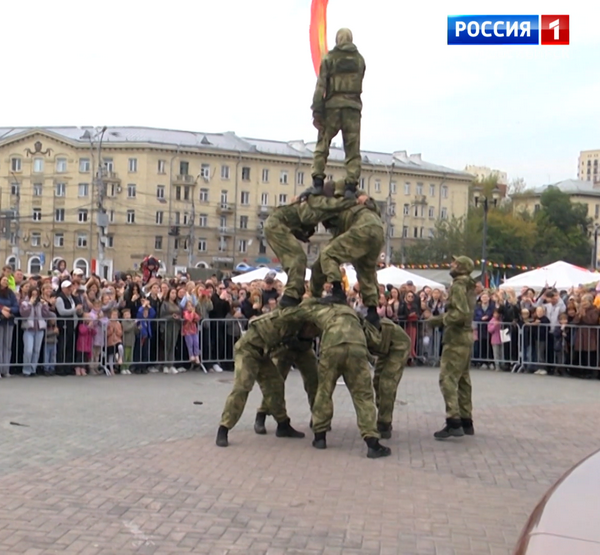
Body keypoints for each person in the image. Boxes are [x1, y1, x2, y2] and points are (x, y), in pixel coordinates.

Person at [292, 299, 391, 458]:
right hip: (356, 348)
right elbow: (371, 335)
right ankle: (372, 442)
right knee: (363, 396)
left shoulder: (321, 310)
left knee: (324, 391)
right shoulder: (353, 312)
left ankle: (320, 437)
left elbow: (297, 315)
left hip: (332, 347)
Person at [216, 308, 308, 447]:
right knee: (242, 387)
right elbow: (264, 332)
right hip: (248, 351)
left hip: (263, 355)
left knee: (276, 384)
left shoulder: (293, 327)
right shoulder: (281, 320)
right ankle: (223, 429)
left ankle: (283, 424)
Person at [309, 183, 384, 327]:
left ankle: (337, 291)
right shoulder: (355, 200)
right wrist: (366, 199)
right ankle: (372, 312)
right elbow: (374, 207)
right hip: (377, 230)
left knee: (328, 254)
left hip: (362, 226)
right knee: (366, 271)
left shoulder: (334, 205)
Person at [310, 28, 365, 199]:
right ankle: (350, 187)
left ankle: (318, 183)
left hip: (332, 108)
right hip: (353, 109)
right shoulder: (360, 60)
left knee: (323, 145)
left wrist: (317, 111)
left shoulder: (329, 59)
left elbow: (321, 86)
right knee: (352, 150)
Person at [427, 256, 477, 440]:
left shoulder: (458, 285)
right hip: (466, 337)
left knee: (447, 379)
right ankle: (466, 420)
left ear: (462, 267)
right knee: (463, 380)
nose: (451, 265)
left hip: (456, 337)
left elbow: (460, 314)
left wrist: (437, 320)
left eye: (455, 263)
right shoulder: (469, 284)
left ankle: (453, 421)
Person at [253, 335, 320, 435]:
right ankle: (261, 414)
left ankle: (318, 416)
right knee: (274, 386)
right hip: (285, 347)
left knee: (314, 382)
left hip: (304, 346)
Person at [362, 317, 411, 439]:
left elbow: (363, 346)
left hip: (399, 346)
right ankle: (383, 410)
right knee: (377, 381)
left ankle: (385, 423)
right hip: (384, 349)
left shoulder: (365, 327)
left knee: (387, 383)